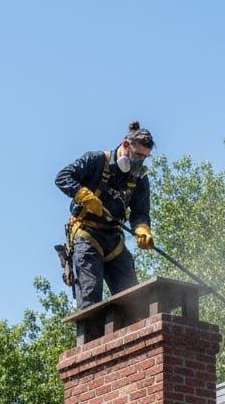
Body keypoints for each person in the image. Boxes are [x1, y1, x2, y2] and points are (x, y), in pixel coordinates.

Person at [55, 121, 155, 309]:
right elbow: (62, 177)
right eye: (137, 156)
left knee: (134, 299)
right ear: (125, 144)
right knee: (91, 299)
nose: (139, 162)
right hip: (87, 234)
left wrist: (142, 229)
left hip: (114, 239)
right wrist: (83, 195)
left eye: (144, 158)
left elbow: (140, 212)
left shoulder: (139, 179)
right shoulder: (97, 160)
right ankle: (91, 336)